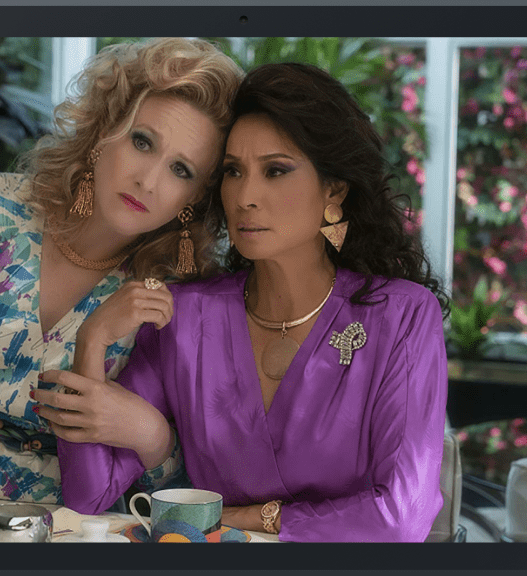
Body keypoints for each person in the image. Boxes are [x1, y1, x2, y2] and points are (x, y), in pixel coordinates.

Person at [40, 63, 449, 541]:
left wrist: (257, 518)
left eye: (276, 170)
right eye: (233, 171)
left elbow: (402, 516)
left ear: (334, 188)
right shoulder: (183, 315)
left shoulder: (402, 316)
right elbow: (89, 494)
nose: (246, 196)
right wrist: (92, 341)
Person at [0, 38, 243, 504]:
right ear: (104, 131)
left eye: (181, 170)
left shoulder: (178, 302)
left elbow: (177, 492)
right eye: (142, 142)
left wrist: (152, 434)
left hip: (67, 534)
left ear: (195, 198)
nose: (149, 180)